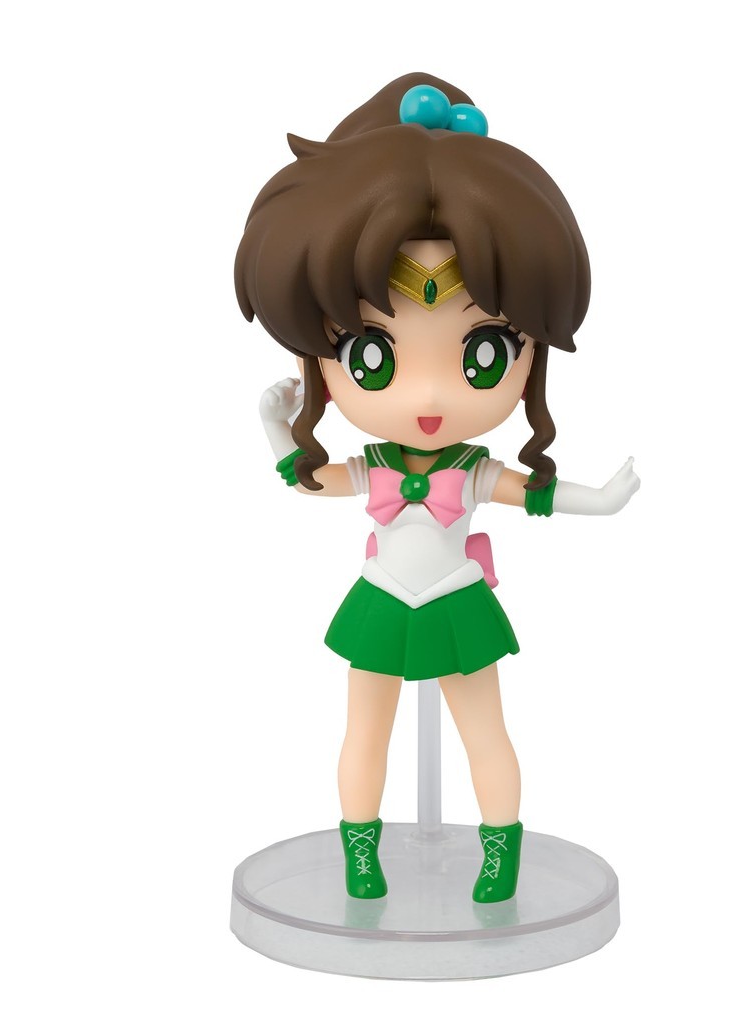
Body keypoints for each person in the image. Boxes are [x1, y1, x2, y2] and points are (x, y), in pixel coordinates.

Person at [235, 73, 640, 903]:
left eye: (484, 354)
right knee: (365, 731)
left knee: (485, 731)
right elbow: (311, 481)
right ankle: (360, 853)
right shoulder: (378, 468)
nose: (427, 397)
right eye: (372, 355)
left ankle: (499, 854)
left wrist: (598, 499)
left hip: (456, 601)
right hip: (382, 598)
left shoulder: (471, 472)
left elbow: (533, 495)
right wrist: (277, 429)